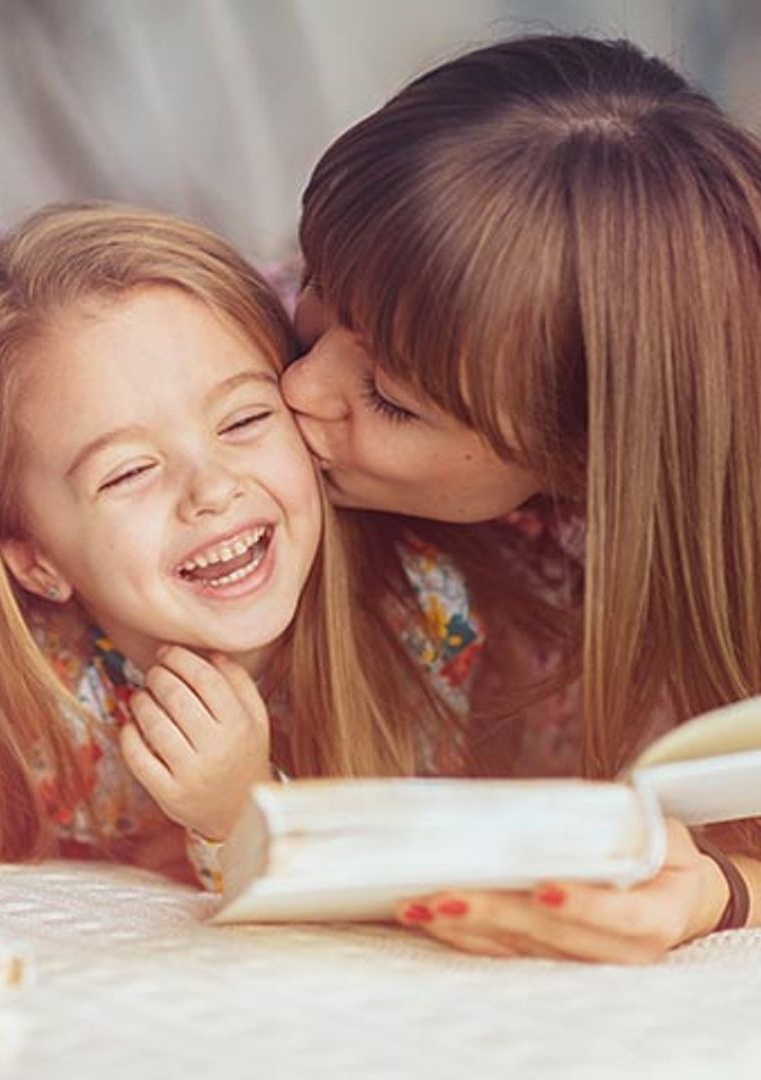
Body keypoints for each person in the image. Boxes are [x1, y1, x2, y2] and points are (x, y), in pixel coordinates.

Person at [0, 202, 480, 890]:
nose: (211, 489)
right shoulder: (24, 703)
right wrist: (232, 818)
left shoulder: (420, 616)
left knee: (38, 352)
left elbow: (403, 849)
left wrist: (231, 811)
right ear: (35, 561)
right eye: (130, 470)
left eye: (243, 420)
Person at [280, 33, 761, 958]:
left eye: (389, 398)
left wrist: (723, 893)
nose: (301, 387)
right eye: (318, 288)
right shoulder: (274, 355)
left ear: (585, 459)